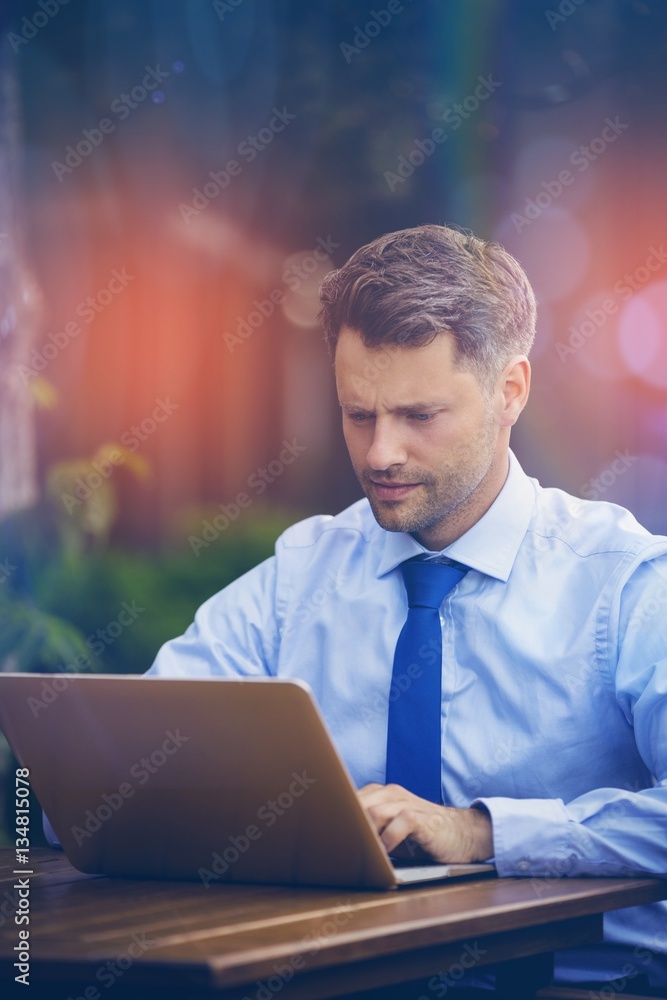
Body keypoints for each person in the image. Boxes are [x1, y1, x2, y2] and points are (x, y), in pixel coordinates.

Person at [147, 224, 667, 992]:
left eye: (419, 416)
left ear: (509, 391)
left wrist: (481, 833)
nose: (380, 454)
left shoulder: (627, 585)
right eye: (359, 414)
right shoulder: (301, 575)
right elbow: (116, 766)